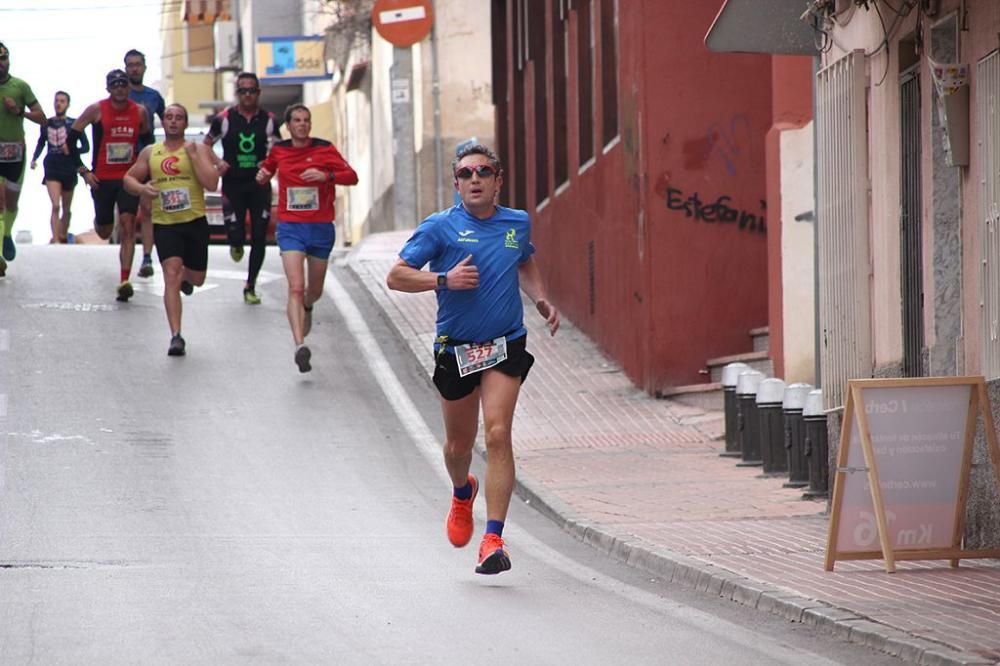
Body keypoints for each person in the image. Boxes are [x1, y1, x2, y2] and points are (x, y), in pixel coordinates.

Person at [386, 144, 559, 575]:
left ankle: (493, 538)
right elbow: (396, 275)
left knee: (498, 434)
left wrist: (539, 297)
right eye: (466, 174)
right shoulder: (440, 228)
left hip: (505, 343)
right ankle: (462, 492)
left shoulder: (516, 222)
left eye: (484, 171)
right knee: (459, 446)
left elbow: (525, 259)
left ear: (498, 180)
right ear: (456, 183)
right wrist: (444, 279)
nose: (475, 179)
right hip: (456, 347)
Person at [255, 103, 357, 372]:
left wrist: (327, 175)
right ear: (288, 126)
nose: (302, 124)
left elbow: (351, 176)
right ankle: (300, 346)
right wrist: (262, 176)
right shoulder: (280, 150)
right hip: (291, 227)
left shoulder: (324, 148)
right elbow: (266, 171)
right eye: (297, 120)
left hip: (321, 227)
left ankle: (308, 306)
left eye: (306, 120)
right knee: (295, 287)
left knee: (314, 290)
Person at [123, 103, 219, 356]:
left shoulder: (199, 149)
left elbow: (211, 183)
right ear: (162, 123)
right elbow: (128, 179)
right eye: (169, 117)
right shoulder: (150, 152)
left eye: (178, 118)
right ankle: (176, 336)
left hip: (195, 222)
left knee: (196, 279)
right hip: (165, 225)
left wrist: (195, 156)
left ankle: (189, 278)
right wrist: (143, 189)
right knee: (171, 275)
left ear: (185, 124)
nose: (173, 122)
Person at [69, 69, 150, 302]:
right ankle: (100, 221)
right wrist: (83, 171)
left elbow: (147, 140)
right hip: (102, 179)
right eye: (115, 85)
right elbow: (71, 139)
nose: (120, 89)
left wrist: (144, 171)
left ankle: (124, 280)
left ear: (128, 87)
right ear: (108, 89)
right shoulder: (96, 110)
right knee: (105, 230)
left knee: (127, 227)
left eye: (123, 84)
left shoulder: (140, 112)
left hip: (128, 178)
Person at [205, 72, 281, 305]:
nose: (247, 95)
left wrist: (268, 166)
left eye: (252, 90)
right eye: (243, 91)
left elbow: (278, 151)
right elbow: (206, 145)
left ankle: (250, 285)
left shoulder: (269, 120)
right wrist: (218, 163)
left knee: (259, 235)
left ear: (258, 93)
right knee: (236, 233)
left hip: (258, 185)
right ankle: (235, 243)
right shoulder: (224, 119)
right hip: (232, 185)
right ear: (237, 94)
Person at [0, 41, 45, 277]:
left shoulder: (20, 86)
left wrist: (20, 111)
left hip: (15, 152)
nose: (1, 64)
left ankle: (6, 234)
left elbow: (42, 117)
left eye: (4, 59)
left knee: (11, 203)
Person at [125, 48, 165, 278]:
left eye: (138, 64)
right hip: (124, 160)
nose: (134, 68)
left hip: (147, 156)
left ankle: (147, 257)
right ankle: (126, 260)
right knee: (127, 215)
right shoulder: (120, 95)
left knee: (148, 209)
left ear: (144, 67)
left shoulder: (153, 96)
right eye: (130, 65)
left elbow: (168, 119)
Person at [31, 90, 89, 244]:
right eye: (56, 100)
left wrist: (72, 150)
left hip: (69, 167)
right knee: (55, 205)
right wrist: (34, 158)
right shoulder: (46, 123)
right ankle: (56, 239)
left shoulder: (75, 124)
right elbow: (41, 142)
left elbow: (86, 146)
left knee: (66, 207)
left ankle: (63, 235)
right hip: (52, 166)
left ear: (68, 104)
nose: (59, 104)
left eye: (62, 101)